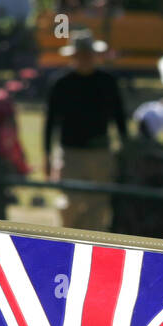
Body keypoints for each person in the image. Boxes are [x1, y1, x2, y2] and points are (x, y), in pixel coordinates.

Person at [43, 32, 127, 231]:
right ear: (73, 57)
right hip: (70, 153)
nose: (84, 59)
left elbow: (119, 117)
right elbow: (50, 122)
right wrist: (47, 155)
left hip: (100, 153)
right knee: (70, 203)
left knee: (98, 205)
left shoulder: (108, 82)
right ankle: (68, 239)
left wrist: (125, 145)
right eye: (80, 55)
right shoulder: (61, 83)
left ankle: (90, 247)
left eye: (88, 54)